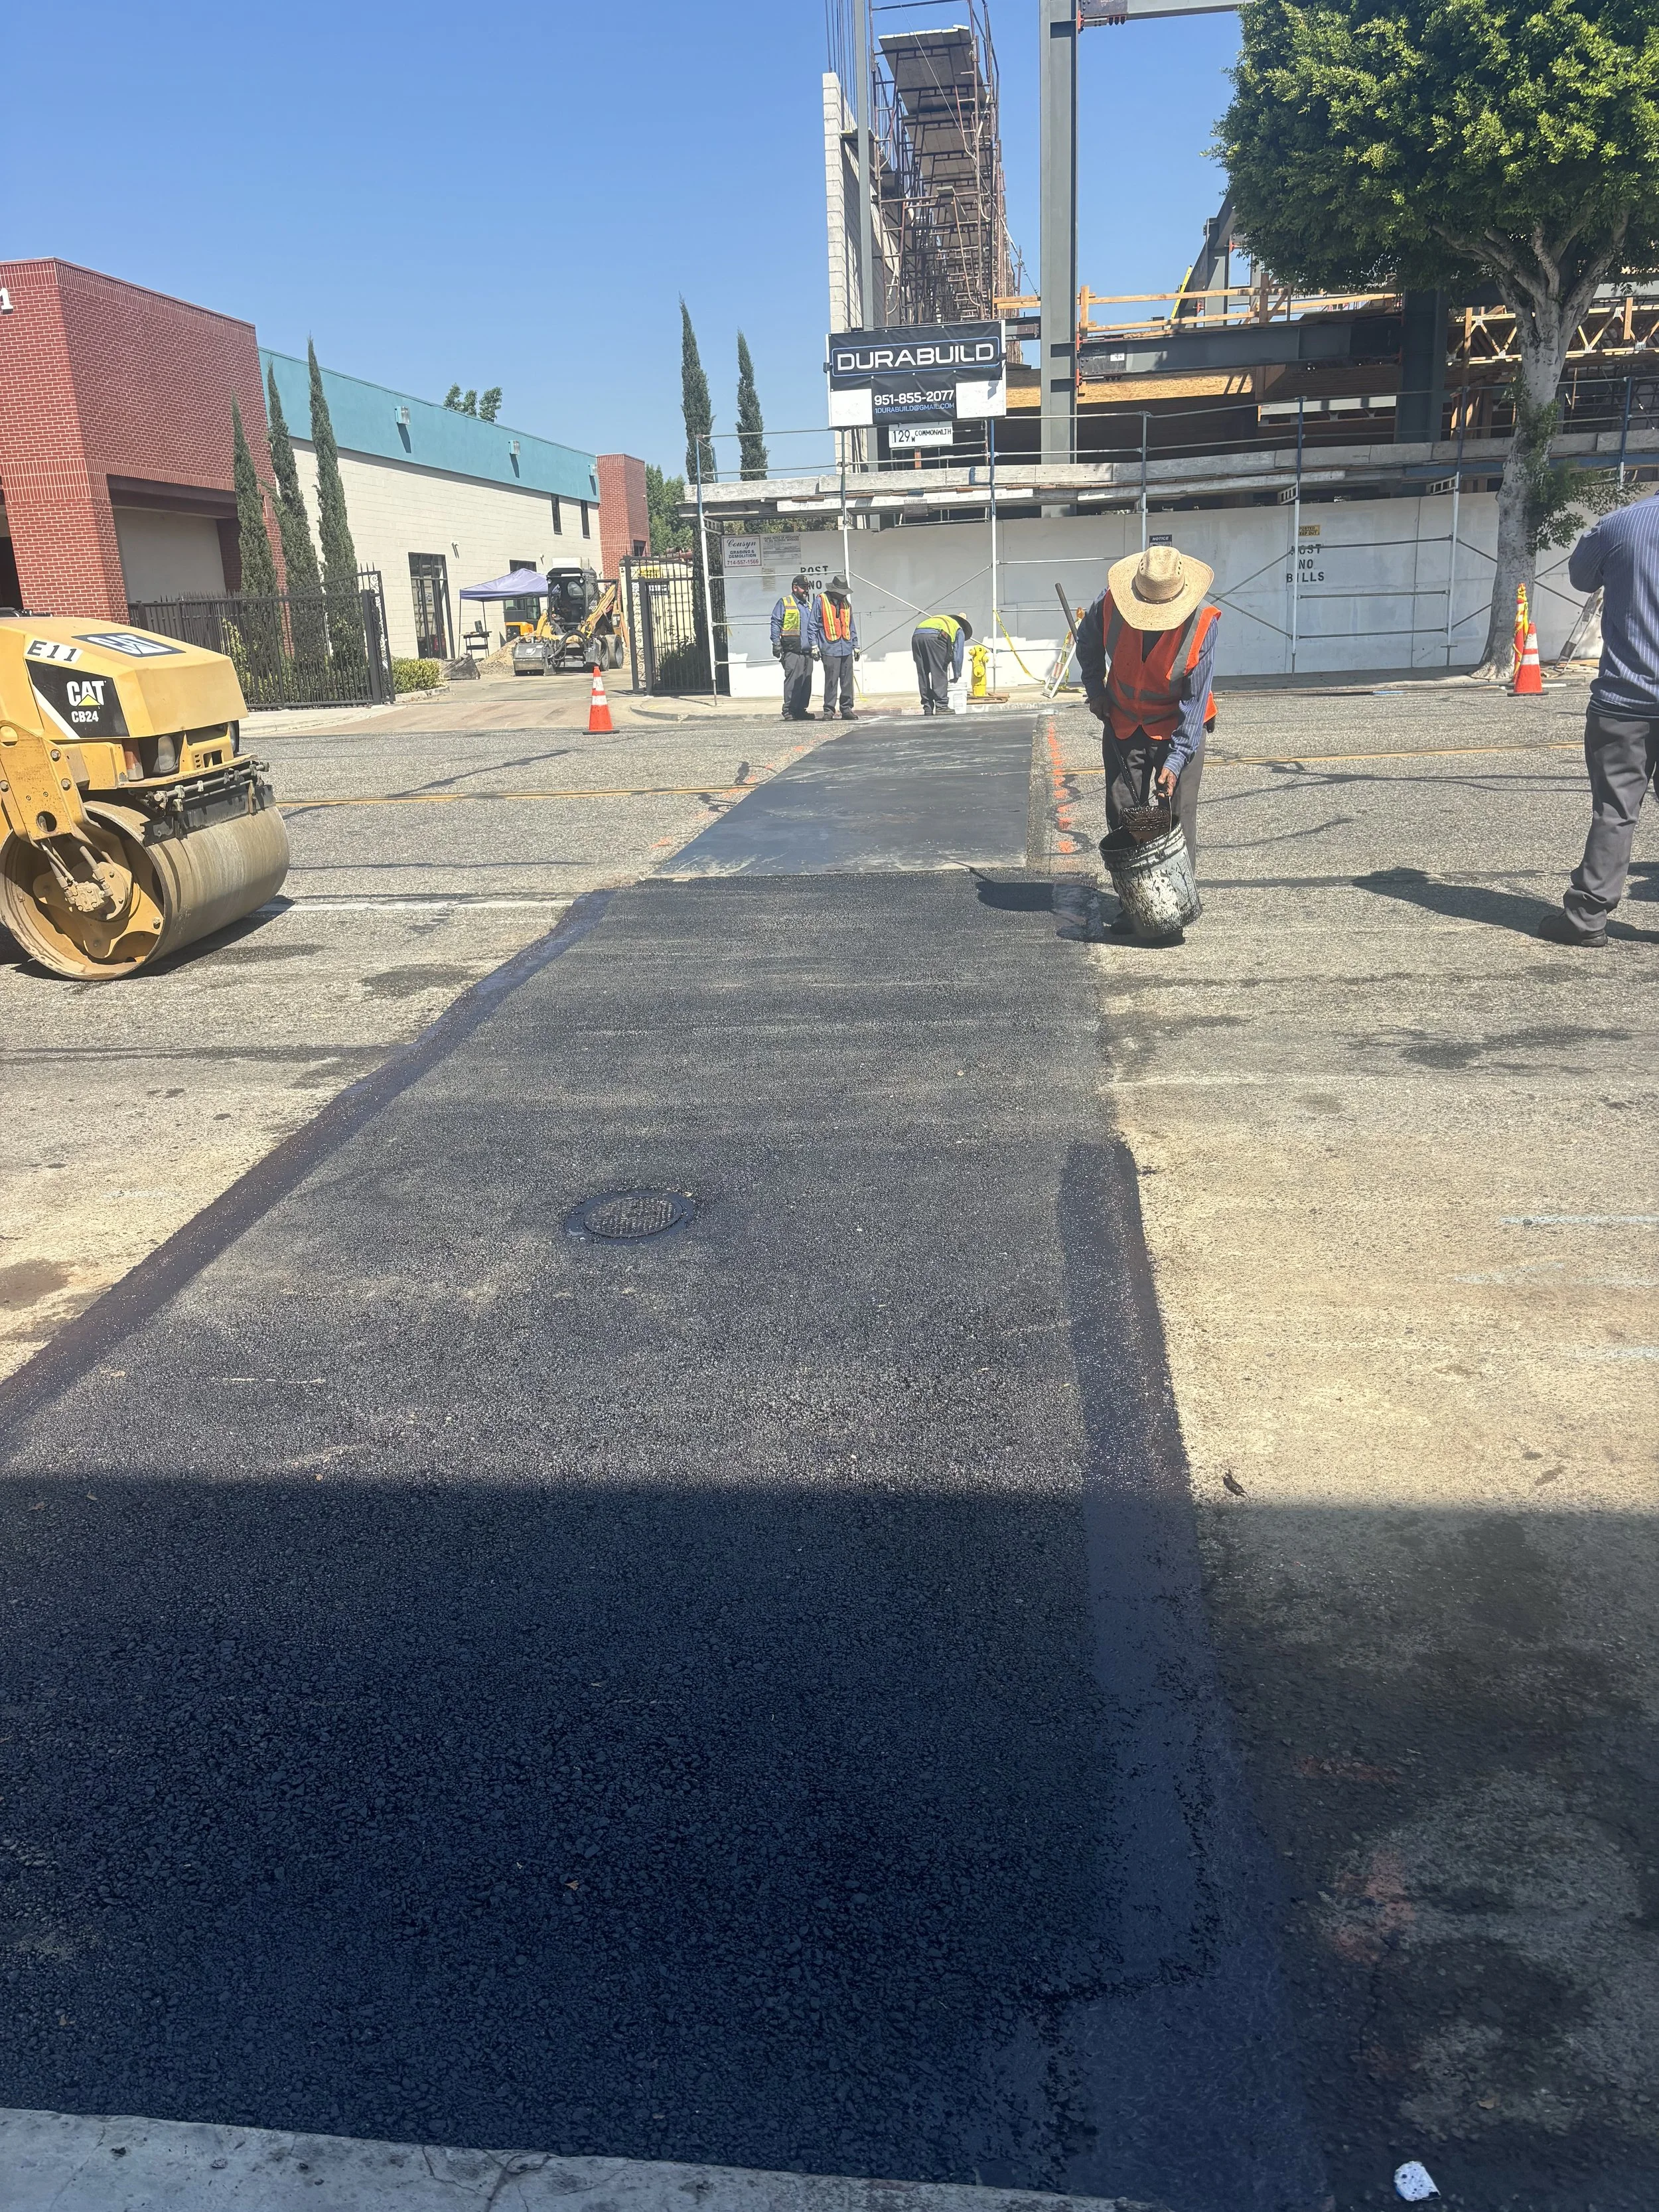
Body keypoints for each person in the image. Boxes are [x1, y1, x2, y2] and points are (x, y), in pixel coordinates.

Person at [1074, 542, 1220, 937]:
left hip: (1178, 725)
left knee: (1175, 814)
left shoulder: (1203, 622)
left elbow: (1194, 702)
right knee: (1129, 812)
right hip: (1123, 719)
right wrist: (1096, 691)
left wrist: (1173, 763)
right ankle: (1136, 904)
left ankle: (1173, 908)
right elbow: (1085, 644)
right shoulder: (1109, 605)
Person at [1541, 493, 1659, 945]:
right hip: (1625, 702)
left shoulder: (1620, 525)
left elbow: (1580, 576)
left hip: (1626, 698)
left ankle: (1587, 916)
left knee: (1615, 811)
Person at [809, 575, 860, 720]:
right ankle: (829, 710)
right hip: (829, 648)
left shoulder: (846, 604)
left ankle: (847, 708)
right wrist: (814, 645)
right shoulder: (821, 601)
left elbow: (851, 625)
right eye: (841, 592)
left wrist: (856, 645)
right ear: (834, 590)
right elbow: (813, 625)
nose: (843, 595)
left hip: (846, 647)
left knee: (847, 680)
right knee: (831, 680)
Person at [770, 573, 816, 722]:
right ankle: (789, 710)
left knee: (805, 682)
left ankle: (801, 709)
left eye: (807, 587)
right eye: (803, 587)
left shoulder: (809, 606)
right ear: (795, 588)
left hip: (807, 652)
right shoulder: (785, 602)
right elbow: (776, 622)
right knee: (793, 681)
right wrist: (776, 643)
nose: (806, 590)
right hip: (792, 650)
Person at [911, 612, 974, 715]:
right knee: (939, 671)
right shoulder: (958, 629)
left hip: (917, 636)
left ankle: (927, 707)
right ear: (963, 625)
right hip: (936, 637)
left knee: (923, 673)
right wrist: (957, 673)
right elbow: (958, 653)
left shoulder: (941, 620)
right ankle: (941, 706)